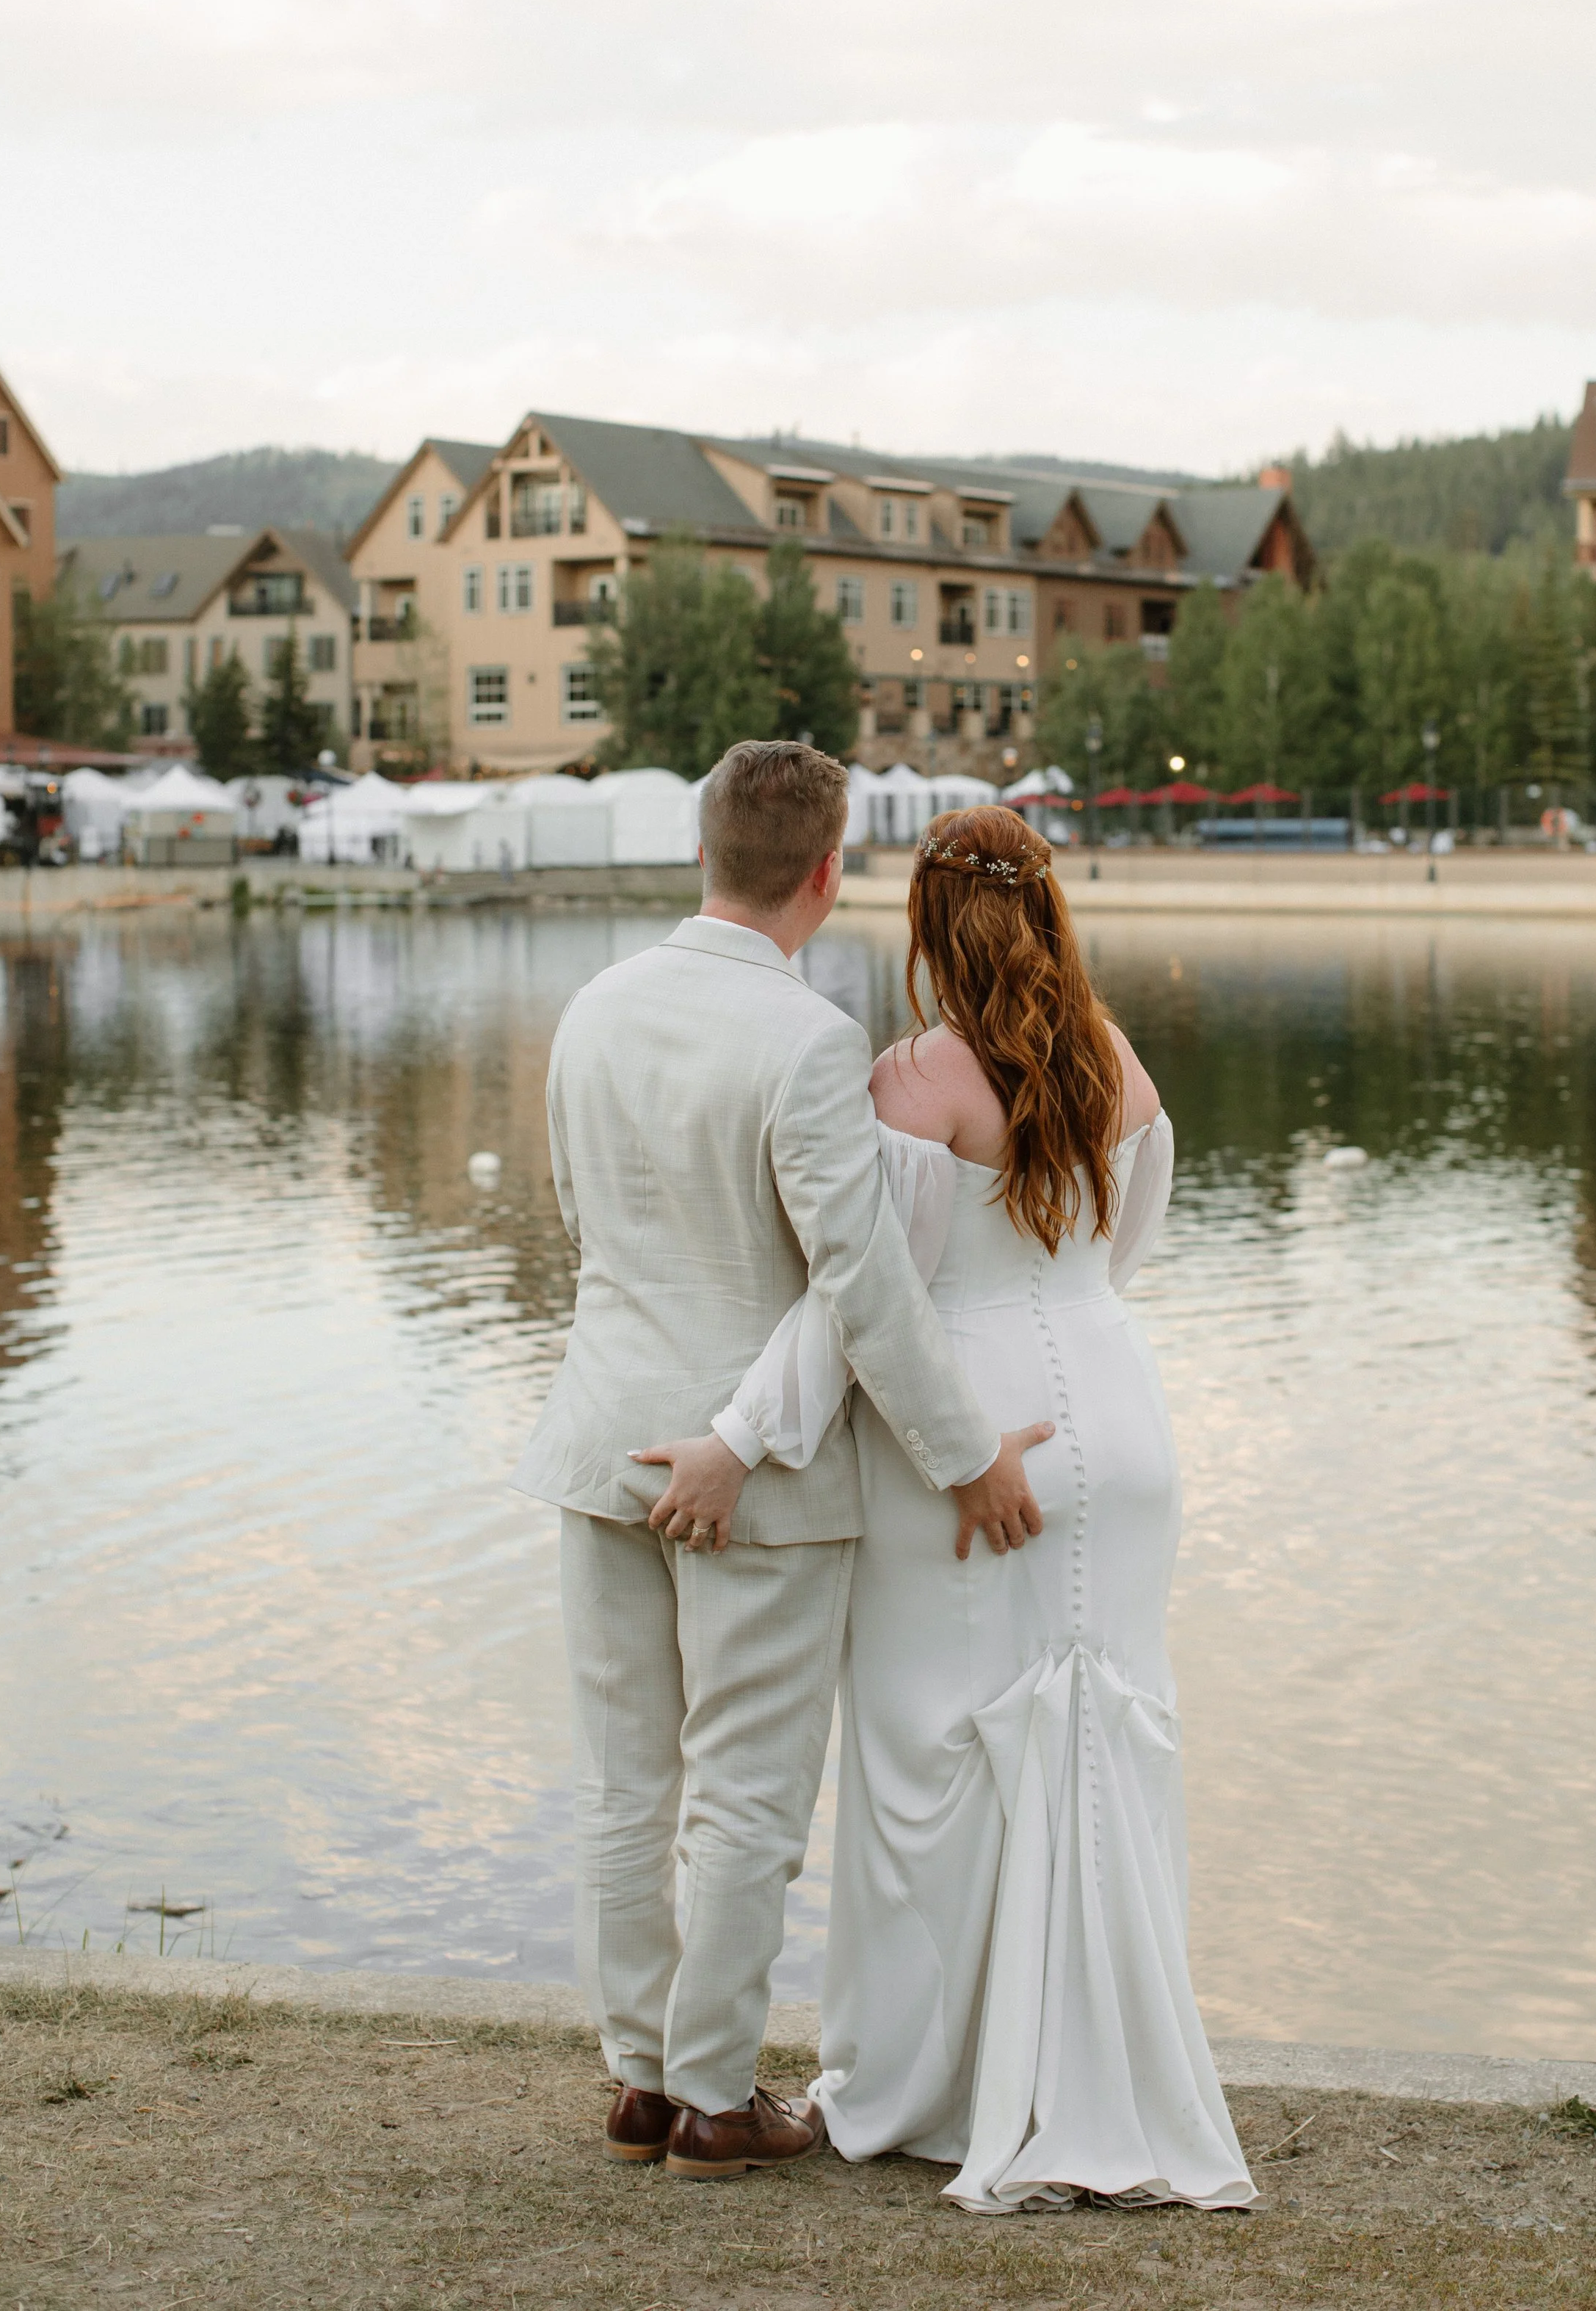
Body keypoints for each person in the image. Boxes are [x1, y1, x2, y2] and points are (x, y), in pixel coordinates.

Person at [511, 744, 1053, 2182]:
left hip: (598, 1440)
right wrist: (964, 1457)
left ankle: (634, 2077)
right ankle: (707, 2096)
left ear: (702, 849)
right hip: (752, 1474)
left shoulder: (594, 1007)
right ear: (825, 872)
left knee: (626, 1782)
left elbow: (587, 1223)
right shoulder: (806, 1040)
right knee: (743, 1796)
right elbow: (861, 1279)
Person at [719, 803, 1256, 2213]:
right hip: (1118, 1429)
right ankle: (1101, 2073)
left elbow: (864, 1300)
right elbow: (1116, 1256)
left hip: (968, 1443)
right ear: (1050, 913)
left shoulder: (913, 1080)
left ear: (927, 928)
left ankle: (933, 2090)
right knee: (1105, 1744)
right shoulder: (1122, 1065)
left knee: (930, 1765)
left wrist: (740, 1437)